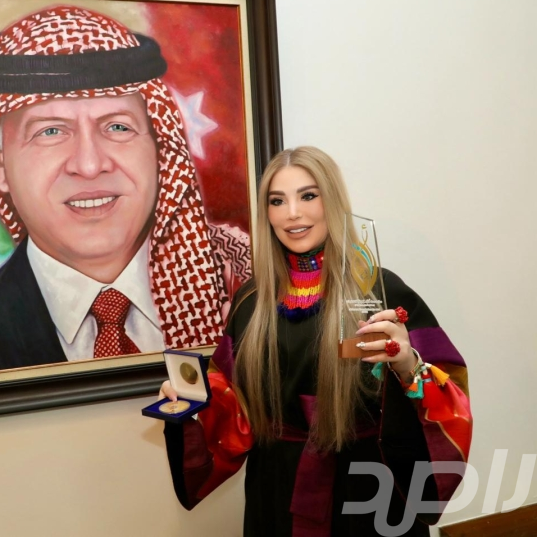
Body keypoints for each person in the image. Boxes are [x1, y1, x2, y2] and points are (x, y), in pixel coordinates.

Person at [0, 5, 251, 375]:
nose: (89, 165)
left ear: (159, 151)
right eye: (50, 131)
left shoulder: (244, 301)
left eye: (117, 127)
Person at [160, 146, 472, 536]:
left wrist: (408, 365)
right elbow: (233, 401)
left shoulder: (382, 291)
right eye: (277, 201)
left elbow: (449, 392)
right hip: (278, 489)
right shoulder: (251, 300)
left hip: (370, 490)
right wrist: (191, 401)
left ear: (333, 201)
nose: (292, 213)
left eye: (308, 195)